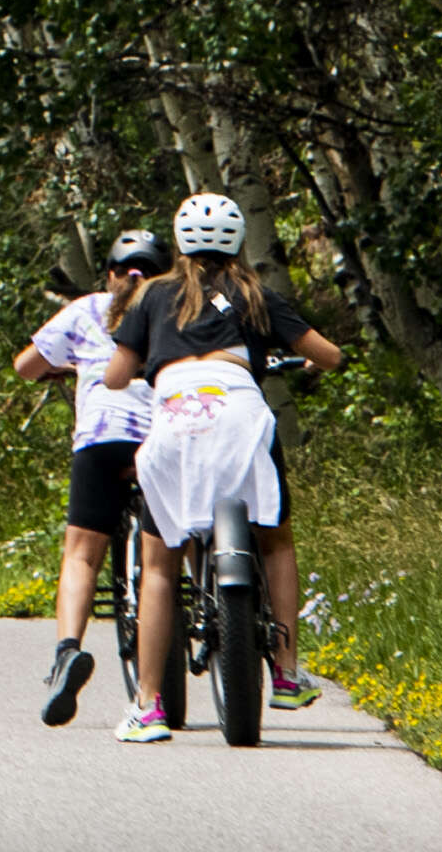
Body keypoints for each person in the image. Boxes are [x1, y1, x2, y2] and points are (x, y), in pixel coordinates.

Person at [104, 191, 348, 742]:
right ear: (238, 240)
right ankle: (284, 673)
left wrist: (141, 361)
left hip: (175, 419)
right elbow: (331, 355)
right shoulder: (255, 293)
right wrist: (309, 358)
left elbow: (117, 376)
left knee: (160, 564)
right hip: (239, 412)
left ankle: (147, 708)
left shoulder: (151, 295)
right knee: (276, 539)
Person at [14, 226, 170, 723]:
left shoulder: (86, 309)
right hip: (160, 439)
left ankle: (67, 650)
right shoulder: (171, 308)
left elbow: (25, 365)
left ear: (110, 274)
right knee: (165, 558)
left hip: (102, 437)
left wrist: (60, 368)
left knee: (81, 553)